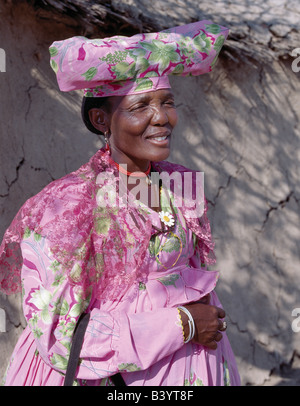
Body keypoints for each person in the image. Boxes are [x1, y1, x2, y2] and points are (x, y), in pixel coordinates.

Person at [0, 20, 241, 386]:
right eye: (140, 105)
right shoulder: (69, 208)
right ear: (101, 120)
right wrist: (185, 324)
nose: (161, 118)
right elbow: (60, 337)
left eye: (167, 102)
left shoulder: (175, 187)